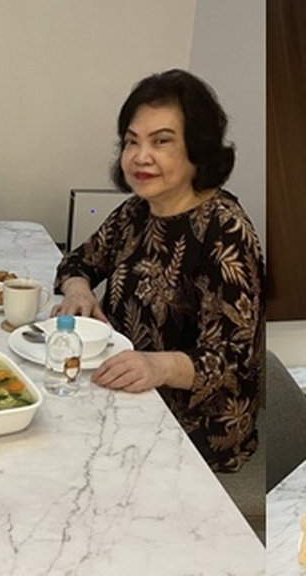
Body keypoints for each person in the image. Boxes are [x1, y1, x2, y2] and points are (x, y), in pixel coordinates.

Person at [51, 69, 263, 473]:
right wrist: (78, 290)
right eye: (132, 141)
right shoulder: (137, 211)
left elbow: (233, 362)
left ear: (197, 149)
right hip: (125, 395)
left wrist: (157, 366)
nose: (139, 156)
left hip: (193, 431)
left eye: (161, 141)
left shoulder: (225, 231)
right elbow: (78, 260)